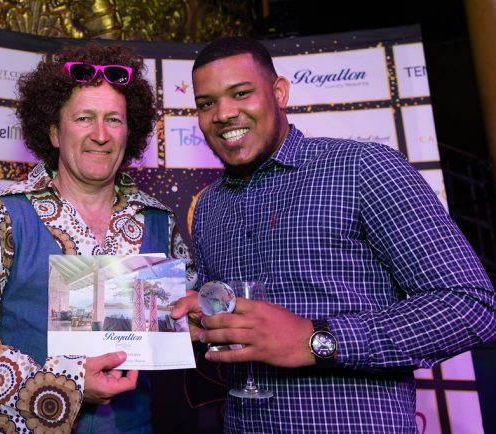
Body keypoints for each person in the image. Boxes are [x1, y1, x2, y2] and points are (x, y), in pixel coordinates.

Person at [171, 36, 496, 433]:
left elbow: (470, 305)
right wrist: (205, 319)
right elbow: (227, 317)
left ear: (279, 92)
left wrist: (317, 340)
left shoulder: (363, 167)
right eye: (206, 103)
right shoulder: (209, 206)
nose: (223, 113)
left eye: (241, 93)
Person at [0, 43, 194, 434]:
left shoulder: (158, 221)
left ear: (129, 131)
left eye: (114, 120)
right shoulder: (3, 215)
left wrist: (198, 314)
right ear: (53, 131)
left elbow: (188, 318)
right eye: (84, 118)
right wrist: (64, 386)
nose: (101, 135)